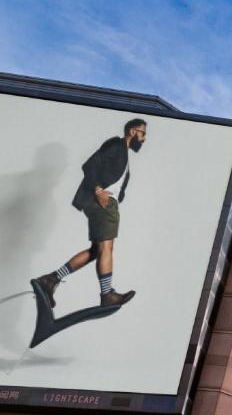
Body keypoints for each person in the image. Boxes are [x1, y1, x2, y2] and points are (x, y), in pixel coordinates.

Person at [33, 118, 147, 308]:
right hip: (103, 204)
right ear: (133, 131)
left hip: (106, 204)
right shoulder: (116, 145)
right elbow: (90, 165)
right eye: (143, 133)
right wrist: (98, 191)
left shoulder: (123, 153)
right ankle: (107, 294)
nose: (144, 139)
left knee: (96, 251)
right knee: (106, 249)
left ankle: (51, 279)